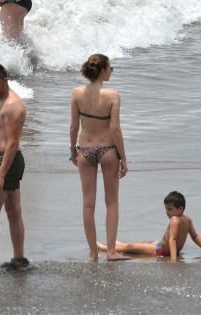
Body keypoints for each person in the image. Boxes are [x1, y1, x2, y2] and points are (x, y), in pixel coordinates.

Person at [69, 54, 129, 262]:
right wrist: (123, 157)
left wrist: (72, 150)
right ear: (103, 70)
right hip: (107, 149)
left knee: (88, 204)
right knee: (111, 202)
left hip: (85, 150)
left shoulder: (77, 93)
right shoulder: (112, 95)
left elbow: (74, 126)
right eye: (110, 67)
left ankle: (94, 253)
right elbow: (115, 129)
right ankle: (111, 251)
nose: (112, 70)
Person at [0, 62, 30, 270]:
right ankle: (19, 259)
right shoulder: (2, 100)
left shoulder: (12, 105)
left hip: (5, 161)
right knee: (13, 211)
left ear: (5, 79)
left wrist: (0, 175)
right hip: (4, 161)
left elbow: (12, 143)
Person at [98, 191, 201, 261]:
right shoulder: (183, 219)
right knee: (137, 245)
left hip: (161, 251)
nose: (167, 212)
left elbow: (186, 237)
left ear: (180, 208)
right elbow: (186, 237)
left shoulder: (177, 220)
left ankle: (107, 246)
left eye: (170, 209)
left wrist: (173, 260)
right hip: (160, 247)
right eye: (166, 209)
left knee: (132, 247)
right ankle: (111, 245)